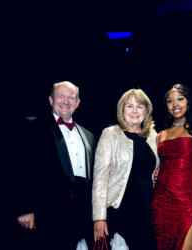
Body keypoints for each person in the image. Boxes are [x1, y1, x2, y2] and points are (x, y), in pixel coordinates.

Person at [15, 81, 96, 250]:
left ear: (78, 102)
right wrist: (25, 208)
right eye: (60, 96)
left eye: (71, 97)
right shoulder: (33, 125)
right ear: (51, 100)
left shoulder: (89, 136)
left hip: (81, 214)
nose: (65, 101)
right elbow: (21, 169)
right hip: (48, 213)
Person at [92, 89, 159, 249]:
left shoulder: (153, 137)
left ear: (146, 111)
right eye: (129, 106)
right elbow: (100, 178)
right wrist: (99, 217)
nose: (135, 111)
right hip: (119, 209)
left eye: (140, 106)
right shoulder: (110, 134)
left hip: (147, 209)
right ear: (122, 110)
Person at [151, 84, 192, 250]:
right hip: (161, 204)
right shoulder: (160, 135)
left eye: (180, 99)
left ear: (189, 102)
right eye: (170, 101)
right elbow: (157, 167)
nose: (175, 104)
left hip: (187, 205)